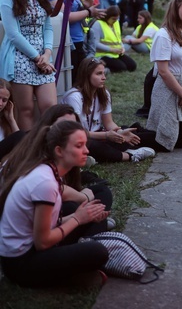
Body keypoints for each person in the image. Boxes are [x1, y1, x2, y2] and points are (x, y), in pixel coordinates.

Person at [0, 120, 109, 288]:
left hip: (36, 247)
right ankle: (67, 275)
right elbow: (42, 242)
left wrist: (83, 216)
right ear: (59, 150)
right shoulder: (45, 182)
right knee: (98, 251)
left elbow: (48, 226)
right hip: (20, 263)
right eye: (79, 146)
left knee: (94, 216)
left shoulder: (50, 171)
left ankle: (72, 270)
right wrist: (77, 219)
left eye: (85, 145)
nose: (86, 150)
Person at [0, 0, 57, 130]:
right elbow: (13, 34)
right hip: (19, 57)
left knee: (50, 107)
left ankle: (50, 146)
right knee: (25, 110)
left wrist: (47, 54)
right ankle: (28, 151)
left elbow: (47, 26)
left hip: (43, 57)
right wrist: (36, 58)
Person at [61, 57, 156, 162]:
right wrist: (106, 135)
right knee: (93, 145)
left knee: (128, 135)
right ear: (87, 76)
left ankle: (95, 157)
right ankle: (130, 155)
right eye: (99, 74)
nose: (104, 77)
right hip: (79, 138)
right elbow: (76, 132)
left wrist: (120, 132)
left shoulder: (103, 93)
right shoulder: (74, 97)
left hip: (99, 135)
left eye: (104, 73)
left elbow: (109, 123)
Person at [146, 0, 182, 151]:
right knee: (163, 141)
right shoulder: (164, 35)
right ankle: (128, 134)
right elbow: (163, 71)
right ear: (175, 10)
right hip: (169, 88)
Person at [42, 0, 106, 83]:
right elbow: (66, 17)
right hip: (67, 42)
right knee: (75, 80)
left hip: (76, 38)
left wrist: (86, 6)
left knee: (81, 78)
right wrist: (89, 12)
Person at [89, 5, 137, 72]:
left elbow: (118, 38)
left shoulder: (116, 23)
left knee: (132, 66)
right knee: (122, 68)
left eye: (117, 18)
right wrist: (111, 49)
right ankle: (103, 67)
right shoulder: (98, 24)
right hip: (103, 54)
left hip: (116, 53)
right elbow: (95, 43)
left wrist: (122, 47)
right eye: (113, 19)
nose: (115, 21)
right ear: (107, 16)